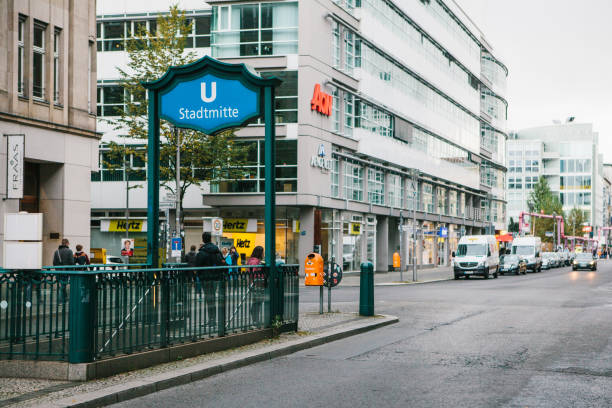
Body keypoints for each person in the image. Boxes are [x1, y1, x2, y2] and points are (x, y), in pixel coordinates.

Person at [195, 232, 226, 330]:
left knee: (209, 299)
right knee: (212, 298)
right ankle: (213, 320)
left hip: (206, 278)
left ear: (203, 239)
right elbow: (221, 262)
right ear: (211, 238)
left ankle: (211, 320)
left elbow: (197, 265)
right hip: (215, 277)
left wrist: (199, 275)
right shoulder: (217, 251)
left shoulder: (202, 252)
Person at [247, 246, 265, 326]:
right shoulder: (256, 261)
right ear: (259, 253)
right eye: (262, 252)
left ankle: (256, 319)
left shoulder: (251, 260)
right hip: (257, 284)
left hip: (254, 284)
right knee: (258, 302)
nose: (263, 254)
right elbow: (253, 273)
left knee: (257, 301)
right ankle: (255, 320)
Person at [53, 238, 74, 303]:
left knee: (61, 285)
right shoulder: (69, 251)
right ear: (67, 243)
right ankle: (60, 301)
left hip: (58, 271)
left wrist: (57, 269)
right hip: (66, 271)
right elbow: (71, 262)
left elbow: (54, 262)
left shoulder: (56, 251)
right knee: (62, 286)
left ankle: (65, 298)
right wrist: (71, 271)